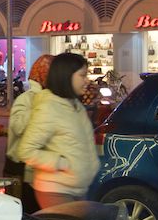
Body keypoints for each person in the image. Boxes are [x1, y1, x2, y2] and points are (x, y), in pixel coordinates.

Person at [17, 53, 100, 209]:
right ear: (66, 76)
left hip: (78, 188)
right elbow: (26, 150)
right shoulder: (49, 107)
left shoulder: (76, 106)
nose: (86, 80)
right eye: (82, 75)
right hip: (56, 190)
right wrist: (60, 163)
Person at [4, 54, 54, 214]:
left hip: (40, 170)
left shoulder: (54, 99)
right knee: (24, 216)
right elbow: (18, 127)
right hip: (21, 169)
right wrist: (40, 106)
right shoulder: (27, 99)